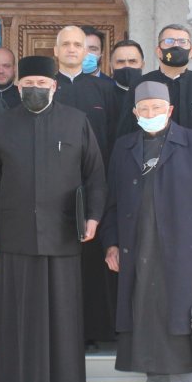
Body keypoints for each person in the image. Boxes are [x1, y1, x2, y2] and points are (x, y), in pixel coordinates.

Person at [0, 55, 106, 382]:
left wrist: (93, 217)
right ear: (19, 87)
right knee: (20, 315)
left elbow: (95, 175)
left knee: (64, 315)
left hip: (64, 232)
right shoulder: (3, 124)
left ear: (55, 86)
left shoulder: (76, 122)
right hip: (16, 233)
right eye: (29, 84)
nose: (35, 89)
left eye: (42, 84)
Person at [102, 81, 192, 382]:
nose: (151, 113)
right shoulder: (125, 147)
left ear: (170, 110)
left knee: (180, 318)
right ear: (135, 112)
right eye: (144, 108)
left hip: (182, 249)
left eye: (157, 107)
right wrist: (110, 244)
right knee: (144, 312)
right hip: (136, 245)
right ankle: (157, 380)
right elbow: (111, 201)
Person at [117, 25, 192, 216]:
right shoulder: (141, 85)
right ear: (158, 50)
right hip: (148, 178)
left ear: (191, 50)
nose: (176, 46)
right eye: (169, 42)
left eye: (182, 42)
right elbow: (125, 133)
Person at [52, 25, 119, 345]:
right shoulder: (46, 88)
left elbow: (115, 140)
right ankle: (59, 332)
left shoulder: (106, 91)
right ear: (56, 50)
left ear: (87, 51)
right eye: (65, 44)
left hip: (95, 189)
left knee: (92, 263)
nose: (72, 49)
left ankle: (93, 331)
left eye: (78, 45)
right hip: (53, 193)